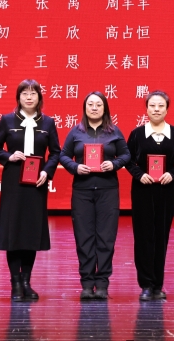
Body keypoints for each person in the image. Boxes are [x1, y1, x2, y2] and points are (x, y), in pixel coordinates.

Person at [0, 80, 61, 302]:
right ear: (18, 97)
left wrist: (47, 172)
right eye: (24, 93)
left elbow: (55, 153)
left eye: (33, 93)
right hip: (13, 182)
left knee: (31, 231)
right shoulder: (7, 120)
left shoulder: (48, 122)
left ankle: (27, 282)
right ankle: (15, 284)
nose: (29, 97)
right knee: (14, 230)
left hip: (37, 183)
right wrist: (8, 156)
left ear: (39, 97)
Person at [58, 91, 131, 300]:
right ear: (85, 108)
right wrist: (75, 167)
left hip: (108, 191)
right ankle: (87, 283)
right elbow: (63, 155)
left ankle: (102, 283)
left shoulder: (114, 131)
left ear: (105, 108)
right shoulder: (76, 131)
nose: (94, 108)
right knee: (84, 238)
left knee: (106, 238)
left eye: (98, 104)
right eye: (90, 104)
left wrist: (114, 164)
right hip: (82, 191)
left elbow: (126, 155)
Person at [125, 90, 174, 301]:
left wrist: (173, 174)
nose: (156, 109)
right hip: (142, 190)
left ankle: (158, 285)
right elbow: (127, 159)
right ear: (146, 109)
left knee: (161, 236)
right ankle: (146, 284)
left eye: (161, 106)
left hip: (166, 190)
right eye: (152, 105)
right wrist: (139, 174)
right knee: (143, 237)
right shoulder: (137, 134)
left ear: (167, 109)